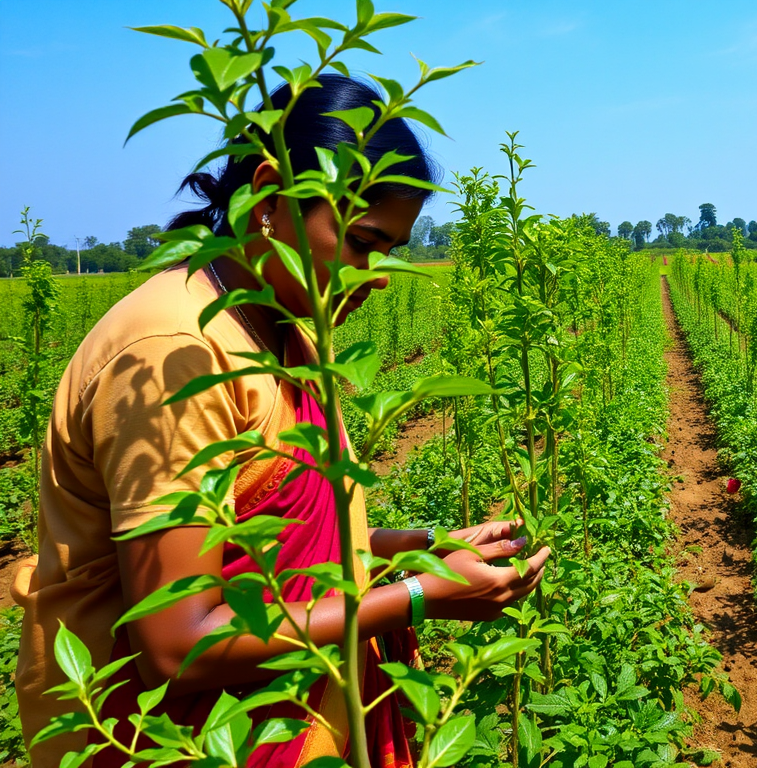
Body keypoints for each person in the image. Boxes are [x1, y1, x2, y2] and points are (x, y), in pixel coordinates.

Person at [11, 74, 550, 768]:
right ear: (269, 198)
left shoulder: (277, 329)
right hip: (177, 741)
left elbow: (257, 535)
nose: (375, 276)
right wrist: (418, 596)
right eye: (361, 241)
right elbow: (180, 644)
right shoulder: (176, 352)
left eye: (387, 252)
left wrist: (423, 544)